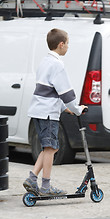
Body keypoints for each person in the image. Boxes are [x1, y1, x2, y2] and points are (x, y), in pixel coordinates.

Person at [23, 28, 87, 196]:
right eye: (67, 44)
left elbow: (48, 90)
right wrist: (77, 109)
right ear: (61, 44)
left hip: (38, 110)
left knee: (48, 148)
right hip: (48, 113)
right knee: (51, 148)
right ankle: (46, 186)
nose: (68, 47)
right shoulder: (57, 65)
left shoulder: (45, 61)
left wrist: (64, 108)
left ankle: (32, 178)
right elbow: (66, 93)